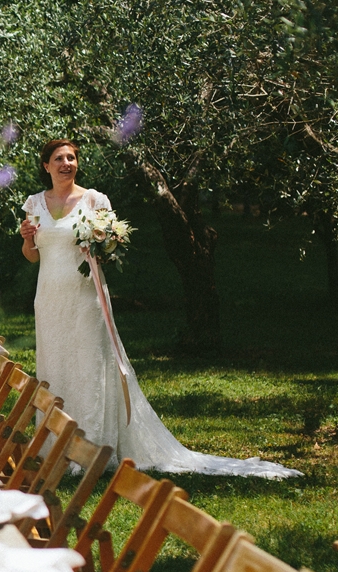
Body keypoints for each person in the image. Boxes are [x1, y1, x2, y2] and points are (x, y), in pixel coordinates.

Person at [19, 139, 300, 479]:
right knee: (56, 364)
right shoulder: (35, 203)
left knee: (89, 362)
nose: (67, 163)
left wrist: (102, 240)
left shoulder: (95, 200)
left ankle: (91, 449)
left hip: (84, 296)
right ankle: (55, 446)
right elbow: (33, 254)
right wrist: (25, 238)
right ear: (46, 166)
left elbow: (111, 247)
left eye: (72, 157)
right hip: (49, 297)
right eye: (59, 158)